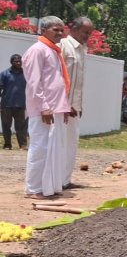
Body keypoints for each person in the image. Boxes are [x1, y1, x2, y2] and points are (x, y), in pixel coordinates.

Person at [22, 16, 72, 199]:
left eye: (61, 30)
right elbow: (34, 82)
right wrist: (44, 106)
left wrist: (64, 107)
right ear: (43, 30)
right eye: (55, 30)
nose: (60, 33)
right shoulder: (37, 50)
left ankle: (49, 187)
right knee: (40, 148)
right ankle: (33, 189)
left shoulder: (53, 51)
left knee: (54, 149)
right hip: (43, 110)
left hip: (56, 109)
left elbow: (57, 82)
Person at [60, 17, 94, 189]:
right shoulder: (63, 46)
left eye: (89, 33)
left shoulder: (82, 50)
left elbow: (78, 82)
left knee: (71, 144)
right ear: (73, 29)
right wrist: (64, 103)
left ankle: (65, 180)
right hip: (62, 107)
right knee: (59, 144)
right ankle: (55, 181)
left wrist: (79, 104)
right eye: (85, 32)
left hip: (75, 107)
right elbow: (57, 77)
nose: (87, 36)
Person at [1, 54, 28, 150]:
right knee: (6, 126)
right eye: (16, 61)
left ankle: (22, 145)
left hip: (21, 105)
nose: (18, 63)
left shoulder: (26, 74)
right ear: (11, 62)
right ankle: (7, 145)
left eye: (20, 61)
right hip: (6, 105)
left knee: (21, 127)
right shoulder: (4, 74)